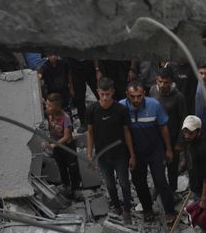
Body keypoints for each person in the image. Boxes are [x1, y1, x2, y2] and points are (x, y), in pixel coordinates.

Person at [120, 81, 177, 225]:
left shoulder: (154, 105)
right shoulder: (120, 107)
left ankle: (170, 210)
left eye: (139, 96)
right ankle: (147, 210)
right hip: (135, 153)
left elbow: (164, 128)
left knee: (160, 181)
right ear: (127, 95)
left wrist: (169, 149)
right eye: (132, 97)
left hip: (155, 150)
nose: (136, 100)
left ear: (144, 94)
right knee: (139, 182)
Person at [87, 78, 137, 225]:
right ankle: (116, 206)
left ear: (113, 93)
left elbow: (127, 132)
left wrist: (132, 155)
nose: (105, 97)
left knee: (124, 183)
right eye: (102, 94)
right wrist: (90, 155)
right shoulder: (92, 110)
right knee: (109, 184)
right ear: (97, 93)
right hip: (102, 155)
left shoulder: (121, 110)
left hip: (120, 154)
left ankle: (127, 209)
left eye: (107, 94)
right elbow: (90, 133)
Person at [149, 67, 186, 194]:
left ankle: (172, 189)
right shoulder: (153, 91)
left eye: (166, 82)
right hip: (157, 138)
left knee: (172, 167)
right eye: (160, 81)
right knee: (157, 165)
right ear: (156, 80)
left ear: (171, 82)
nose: (162, 85)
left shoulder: (178, 97)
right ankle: (158, 186)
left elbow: (183, 120)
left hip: (173, 137)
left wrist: (180, 142)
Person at [45, 93, 83, 201]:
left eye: (49, 105)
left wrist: (53, 144)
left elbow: (66, 137)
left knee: (73, 168)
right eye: (47, 105)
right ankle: (66, 186)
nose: (47, 107)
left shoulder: (65, 118)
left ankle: (76, 188)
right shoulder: (49, 114)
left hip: (67, 147)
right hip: (57, 147)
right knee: (61, 168)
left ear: (57, 107)